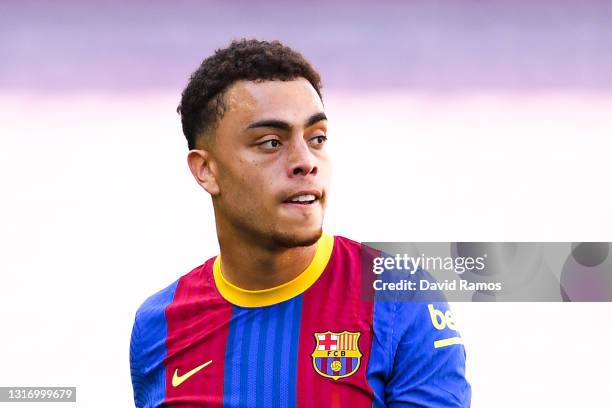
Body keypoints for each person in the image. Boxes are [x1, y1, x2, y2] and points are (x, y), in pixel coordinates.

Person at [129, 39, 471, 407]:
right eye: (271, 143)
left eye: (317, 138)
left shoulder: (399, 295)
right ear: (206, 170)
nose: (305, 161)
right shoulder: (158, 326)